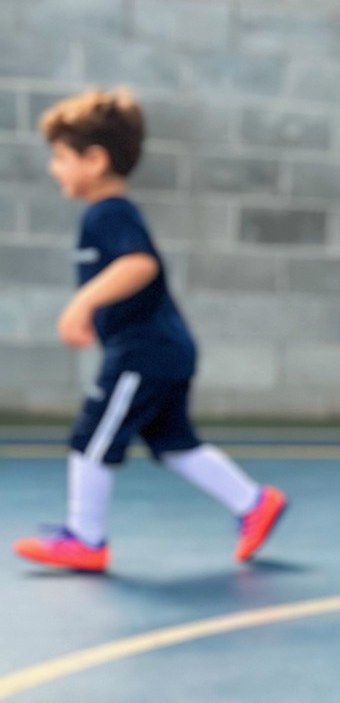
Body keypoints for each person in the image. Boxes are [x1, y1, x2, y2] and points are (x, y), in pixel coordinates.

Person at [12, 89, 287, 574]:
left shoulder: (108, 213)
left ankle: (85, 538)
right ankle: (253, 502)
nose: (54, 168)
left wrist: (82, 303)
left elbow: (139, 264)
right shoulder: (107, 212)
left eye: (60, 157)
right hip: (163, 349)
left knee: (93, 433)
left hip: (145, 352)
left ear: (94, 160)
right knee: (174, 443)